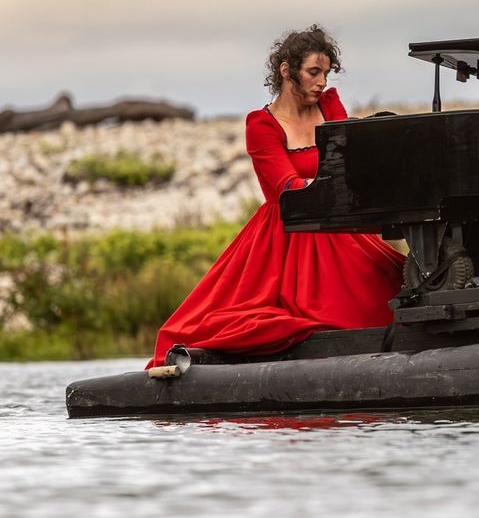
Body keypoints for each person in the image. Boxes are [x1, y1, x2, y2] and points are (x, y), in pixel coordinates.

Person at [146, 26, 405, 368]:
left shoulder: (329, 106)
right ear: (286, 70)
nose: (321, 82)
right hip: (287, 231)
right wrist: (329, 184)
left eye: (326, 73)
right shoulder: (262, 125)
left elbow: (351, 162)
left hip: (337, 227)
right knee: (275, 317)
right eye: (313, 72)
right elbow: (287, 186)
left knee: (397, 282)